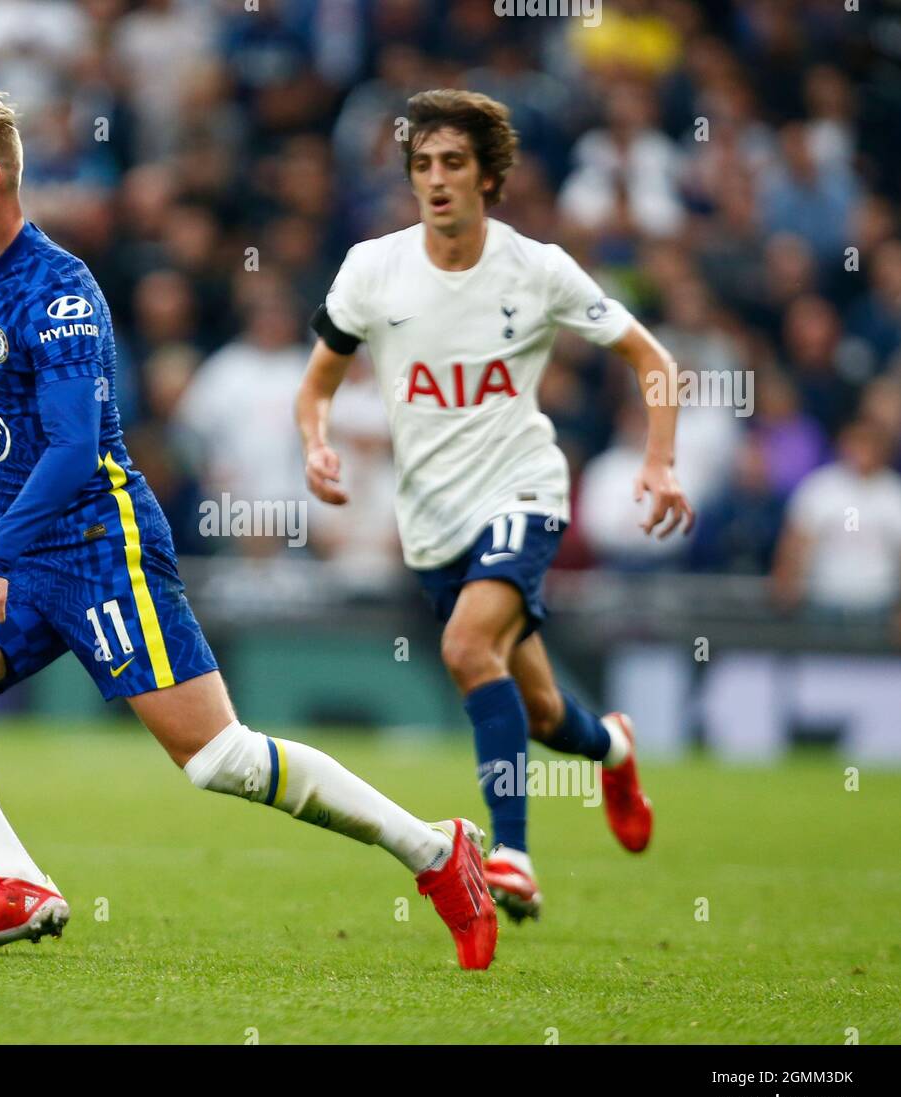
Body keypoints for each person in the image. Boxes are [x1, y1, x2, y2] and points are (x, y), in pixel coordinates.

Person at [0, 89, 498, 968]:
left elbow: (70, 452)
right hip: (24, 555)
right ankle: (16, 882)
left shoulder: (58, 292)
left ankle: (438, 853)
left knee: (219, 760)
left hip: (100, 546)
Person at [295, 89, 695, 921]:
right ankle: (614, 747)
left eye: (453, 164)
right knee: (544, 713)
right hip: (432, 523)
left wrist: (659, 463)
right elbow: (317, 385)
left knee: (467, 646)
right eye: (422, 165)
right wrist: (317, 443)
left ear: (489, 176)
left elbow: (651, 357)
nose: (435, 180)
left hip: (524, 489)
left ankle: (510, 854)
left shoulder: (537, 268)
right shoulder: (373, 269)